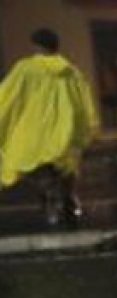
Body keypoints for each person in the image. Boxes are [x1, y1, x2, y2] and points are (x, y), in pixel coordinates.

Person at [0, 28, 99, 227]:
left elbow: (9, 96)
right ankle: (68, 202)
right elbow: (82, 100)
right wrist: (87, 125)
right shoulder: (71, 71)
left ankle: (52, 200)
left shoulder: (26, 68)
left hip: (35, 129)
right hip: (64, 129)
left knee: (33, 165)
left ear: (36, 46)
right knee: (65, 167)